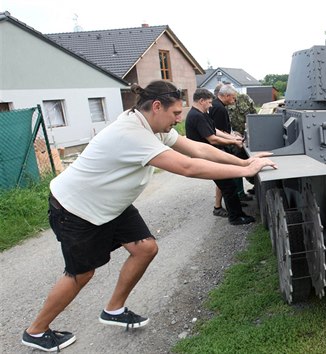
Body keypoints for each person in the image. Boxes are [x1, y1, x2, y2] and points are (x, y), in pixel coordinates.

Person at [21, 80, 276, 352]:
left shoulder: (151, 127)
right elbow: (188, 167)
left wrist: (245, 162)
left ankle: (114, 310)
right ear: (157, 107)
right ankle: (35, 331)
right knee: (80, 274)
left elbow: (196, 148)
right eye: (176, 113)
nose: (180, 119)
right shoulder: (131, 133)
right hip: (76, 208)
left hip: (111, 204)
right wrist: (245, 172)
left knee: (145, 248)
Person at [185, 88, 254, 225]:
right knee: (228, 187)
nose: (211, 105)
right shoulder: (196, 116)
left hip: (210, 156)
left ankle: (236, 213)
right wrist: (233, 141)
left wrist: (232, 138)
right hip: (206, 158)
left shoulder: (201, 114)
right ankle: (236, 218)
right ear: (201, 101)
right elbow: (213, 139)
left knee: (228, 185)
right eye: (209, 102)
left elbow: (215, 130)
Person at [210, 84, 252, 202]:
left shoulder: (218, 106)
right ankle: (237, 197)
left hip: (224, 143)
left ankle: (230, 199)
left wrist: (233, 135)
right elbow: (218, 131)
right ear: (227, 96)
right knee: (232, 172)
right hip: (221, 146)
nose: (235, 100)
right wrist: (233, 140)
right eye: (233, 97)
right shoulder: (219, 108)